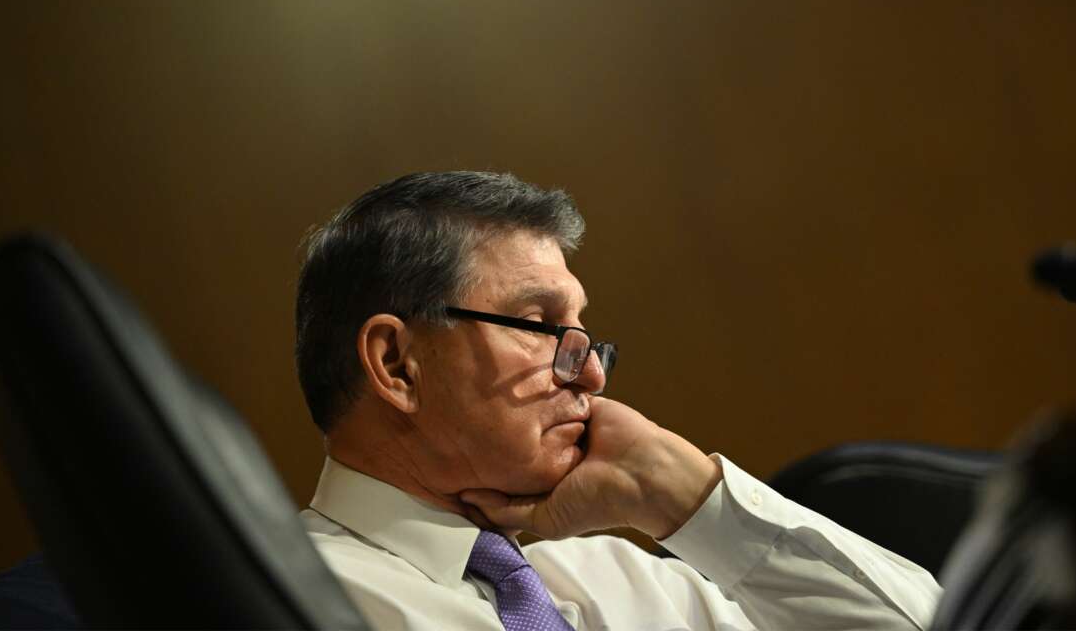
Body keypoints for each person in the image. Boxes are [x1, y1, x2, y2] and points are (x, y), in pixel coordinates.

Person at [295, 171, 941, 630]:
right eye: (542, 326)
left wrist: (676, 489)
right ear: (397, 364)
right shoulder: (280, 595)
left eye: (585, 337)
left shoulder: (623, 577)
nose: (592, 378)